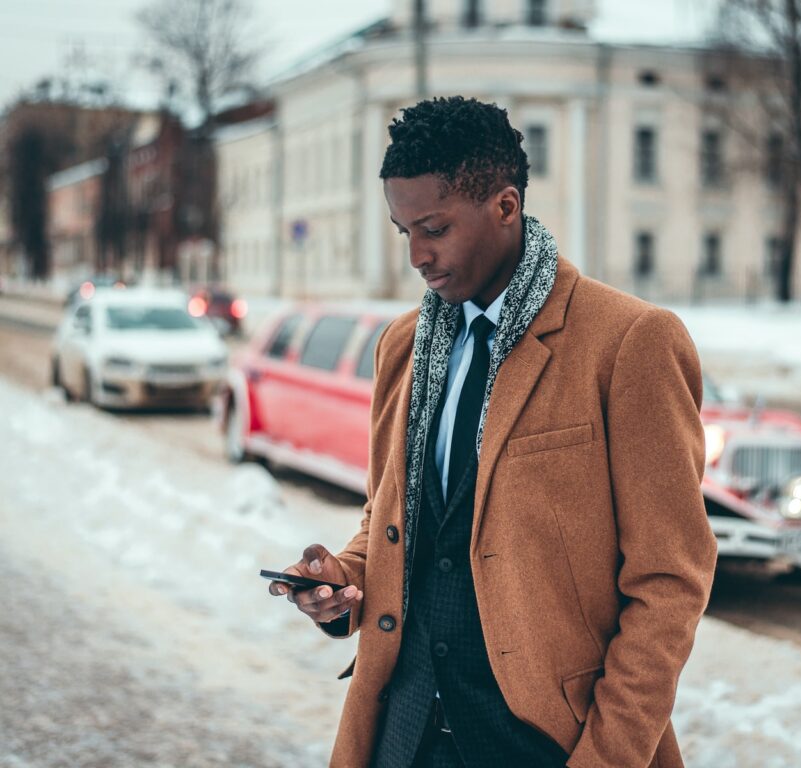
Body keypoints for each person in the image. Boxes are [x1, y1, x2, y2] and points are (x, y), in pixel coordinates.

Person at [270, 96, 717, 768]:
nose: (417, 255)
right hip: (402, 732)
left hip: (545, 743)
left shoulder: (628, 342)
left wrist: (606, 756)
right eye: (403, 232)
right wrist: (344, 582)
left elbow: (670, 580)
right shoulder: (404, 346)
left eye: (435, 228)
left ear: (505, 207)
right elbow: (391, 522)